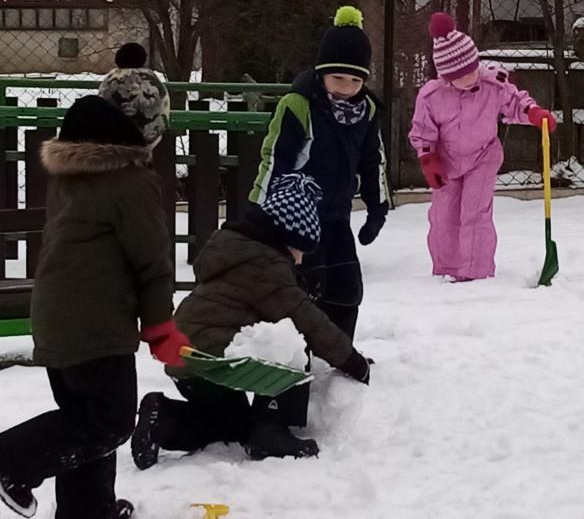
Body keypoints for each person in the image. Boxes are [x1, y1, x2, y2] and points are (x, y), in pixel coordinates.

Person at [0, 94, 188, 519]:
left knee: (82, 419)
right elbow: (152, 263)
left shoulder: (71, 176)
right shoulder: (131, 181)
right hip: (95, 324)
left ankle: (87, 510)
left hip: (56, 315)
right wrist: (160, 326)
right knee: (109, 423)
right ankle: (10, 461)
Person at [132, 173, 371, 467]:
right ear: (286, 239)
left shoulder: (236, 252)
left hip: (185, 358)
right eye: (299, 250)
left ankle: (164, 420)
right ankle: (272, 430)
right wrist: (352, 361)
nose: (299, 260)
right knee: (292, 344)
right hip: (215, 358)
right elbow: (308, 322)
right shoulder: (266, 267)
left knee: (234, 425)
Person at [249, 6, 389, 341]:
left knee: (347, 288)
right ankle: (298, 352)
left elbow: (373, 161)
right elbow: (274, 157)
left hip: (337, 215)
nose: (346, 87)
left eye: (355, 80)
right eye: (338, 78)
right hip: (297, 217)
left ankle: (339, 351)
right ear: (322, 73)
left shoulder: (367, 111)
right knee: (306, 288)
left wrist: (377, 208)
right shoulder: (298, 105)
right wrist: (260, 211)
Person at [408, 12, 556, 282]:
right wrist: (429, 159)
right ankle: (447, 269)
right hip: (447, 160)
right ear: (446, 76)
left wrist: (534, 113)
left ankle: (476, 272)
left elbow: (515, 102)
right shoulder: (432, 96)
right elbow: (423, 131)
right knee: (444, 215)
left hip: (483, 157)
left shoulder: (491, 83)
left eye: (472, 69)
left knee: (475, 212)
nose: (470, 77)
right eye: (461, 75)